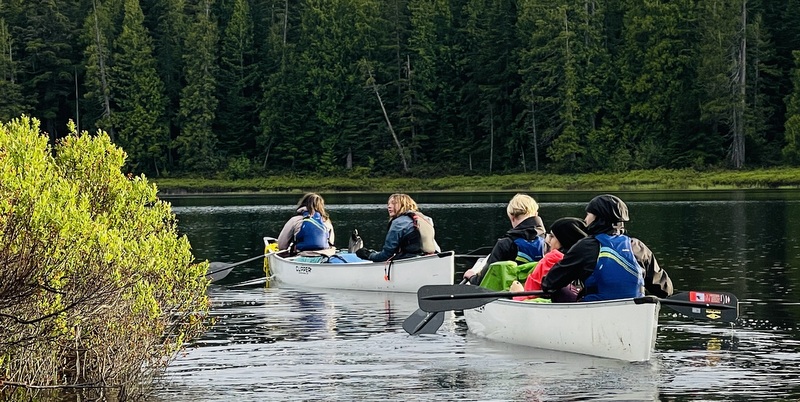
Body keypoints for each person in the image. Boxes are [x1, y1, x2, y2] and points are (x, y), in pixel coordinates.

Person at [541, 194, 673, 301]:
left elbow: (550, 284)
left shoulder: (585, 246)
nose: (585, 220)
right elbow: (665, 290)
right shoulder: (638, 247)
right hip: (635, 311)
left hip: (594, 311)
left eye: (588, 214)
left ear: (597, 217)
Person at [463, 193, 546, 285]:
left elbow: (482, 280)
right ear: (536, 214)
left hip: (512, 291)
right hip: (539, 289)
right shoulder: (548, 241)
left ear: (512, 217)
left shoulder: (505, 244)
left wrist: (472, 277)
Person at [510, 217, 587, 301]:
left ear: (563, 240)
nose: (548, 240)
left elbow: (532, 296)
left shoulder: (551, 259)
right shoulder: (586, 259)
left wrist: (517, 293)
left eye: (552, 236)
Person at [355, 193, 439, 262]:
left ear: (403, 205)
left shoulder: (398, 222)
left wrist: (368, 255)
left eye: (394, 203)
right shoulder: (425, 219)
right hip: (428, 258)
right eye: (388, 204)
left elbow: (386, 255)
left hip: (410, 260)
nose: (389, 206)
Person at [277, 193, 336, 257]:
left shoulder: (294, 220)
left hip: (302, 254)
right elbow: (331, 242)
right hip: (325, 255)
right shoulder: (326, 221)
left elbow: (281, 245)